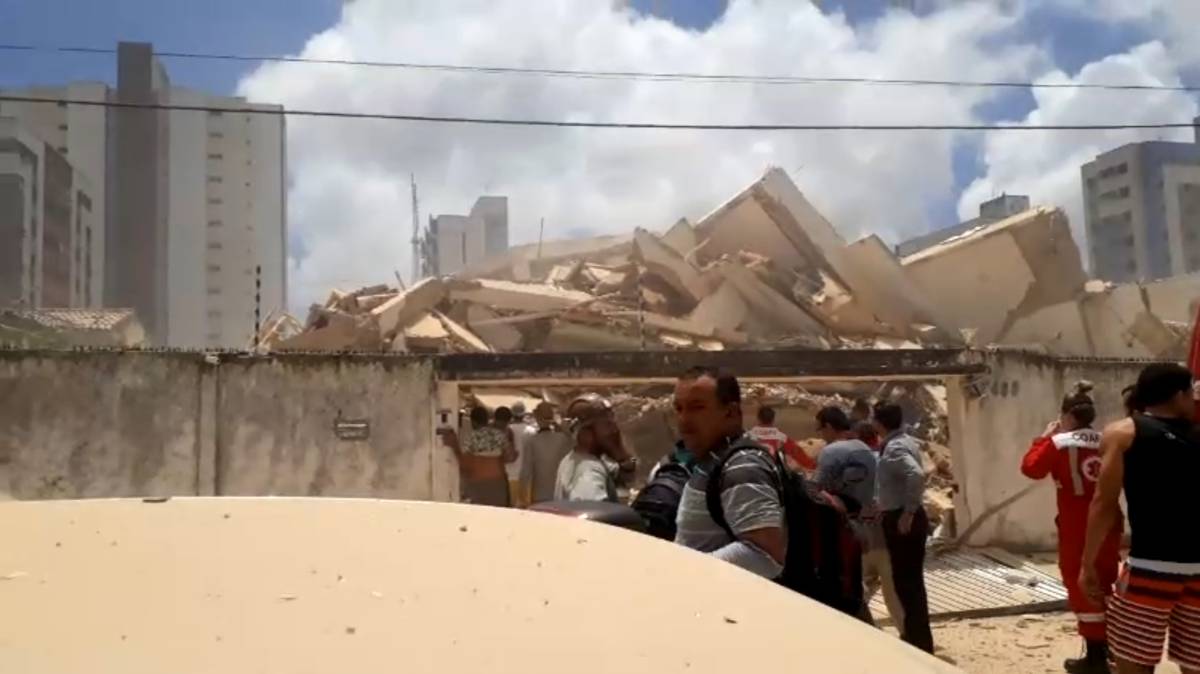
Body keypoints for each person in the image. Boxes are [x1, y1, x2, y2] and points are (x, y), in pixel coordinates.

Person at [1082, 364, 1200, 674]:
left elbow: (1103, 505)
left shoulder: (1123, 433)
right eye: (1191, 393)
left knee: (1133, 665)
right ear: (1178, 395)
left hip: (1150, 569)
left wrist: (1088, 563)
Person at [1021, 381, 1121, 674]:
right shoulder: (1108, 439)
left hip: (1077, 525)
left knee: (1080, 582)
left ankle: (1095, 657)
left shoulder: (1059, 442)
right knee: (1105, 582)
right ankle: (1111, 647)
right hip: (1111, 521)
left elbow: (1031, 468)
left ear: (1067, 416)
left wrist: (1043, 438)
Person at [673, 367, 786, 580]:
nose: (683, 419)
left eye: (697, 408)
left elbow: (765, 556)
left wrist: (685, 574)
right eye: (679, 409)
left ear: (731, 413)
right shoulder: (712, 460)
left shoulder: (742, 466)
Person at [813, 405, 899, 628]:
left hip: (845, 532)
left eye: (820, 430)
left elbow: (816, 491)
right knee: (881, 591)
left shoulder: (831, 452)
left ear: (829, 427)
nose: (820, 436)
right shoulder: (864, 448)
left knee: (847, 590)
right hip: (872, 528)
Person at [874, 400, 934, 654]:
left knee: (906, 584)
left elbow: (916, 474)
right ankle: (918, 638)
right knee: (909, 583)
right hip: (902, 514)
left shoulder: (895, 447)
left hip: (903, 519)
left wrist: (907, 511)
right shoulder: (906, 441)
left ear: (879, 423)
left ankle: (918, 643)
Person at [553, 394, 637, 502]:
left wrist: (622, 456)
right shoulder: (589, 472)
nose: (614, 430)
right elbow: (592, 514)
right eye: (607, 425)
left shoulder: (576, 458)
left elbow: (625, 473)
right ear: (586, 433)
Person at [443, 406, 516, 507]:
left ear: (473, 422)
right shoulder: (499, 435)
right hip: (498, 484)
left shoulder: (471, 438)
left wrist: (454, 446)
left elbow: (464, 463)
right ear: (487, 420)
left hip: (478, 484)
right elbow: (511, 457)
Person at [520, 402, 573, 505]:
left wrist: (521, 496)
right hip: (561, 494)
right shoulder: (563, 439)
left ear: (537, 418)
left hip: (540, 494)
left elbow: (526, 471)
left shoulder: (532, 441)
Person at [748, 405, 815, 471]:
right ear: (773, 419)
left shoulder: (749, 435)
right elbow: (796, 452)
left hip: (753, 470)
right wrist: (811, 465)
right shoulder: (781, 437)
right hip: (773, 472)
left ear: (758, 418)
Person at [503, 403, 537, 508]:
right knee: (528, 509)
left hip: (511, 475)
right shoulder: (532, 431)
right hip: (527, 476)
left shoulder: (507, 429)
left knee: (512, 509)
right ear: (524, 414)